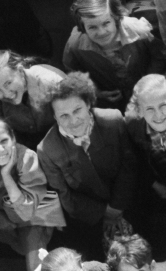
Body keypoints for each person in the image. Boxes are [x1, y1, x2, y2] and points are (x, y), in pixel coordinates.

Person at [37, 72, 137, 231]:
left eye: (77, 110)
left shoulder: (114, 120)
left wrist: (116, 208)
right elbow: (64, 195)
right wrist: (105, 213)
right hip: (91, 217)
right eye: (64, 115)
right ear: (54, 117)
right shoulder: (47, 150)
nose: (73, 121)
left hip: (127, 201)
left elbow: (129, 166)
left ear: (89, 104)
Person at [0, 113, 64, 271]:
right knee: (15, 246)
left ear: (13, 138)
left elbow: (27, 210)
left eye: (4, 140)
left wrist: (6, 175)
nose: (0, 149)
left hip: (35, 215)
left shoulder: (27, 157)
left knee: (35, 261)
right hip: (3, 215)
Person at [62, 0, 160, 109]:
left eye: (106, 23)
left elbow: (158, 56)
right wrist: (95, 91)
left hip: (146, 94)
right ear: (82, 26)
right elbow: (73, 72)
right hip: (111, 101)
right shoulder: (75, 44)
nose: (102, 32)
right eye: (92, 27)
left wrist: (149, 83)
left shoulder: (139, 31)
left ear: (116, 18)